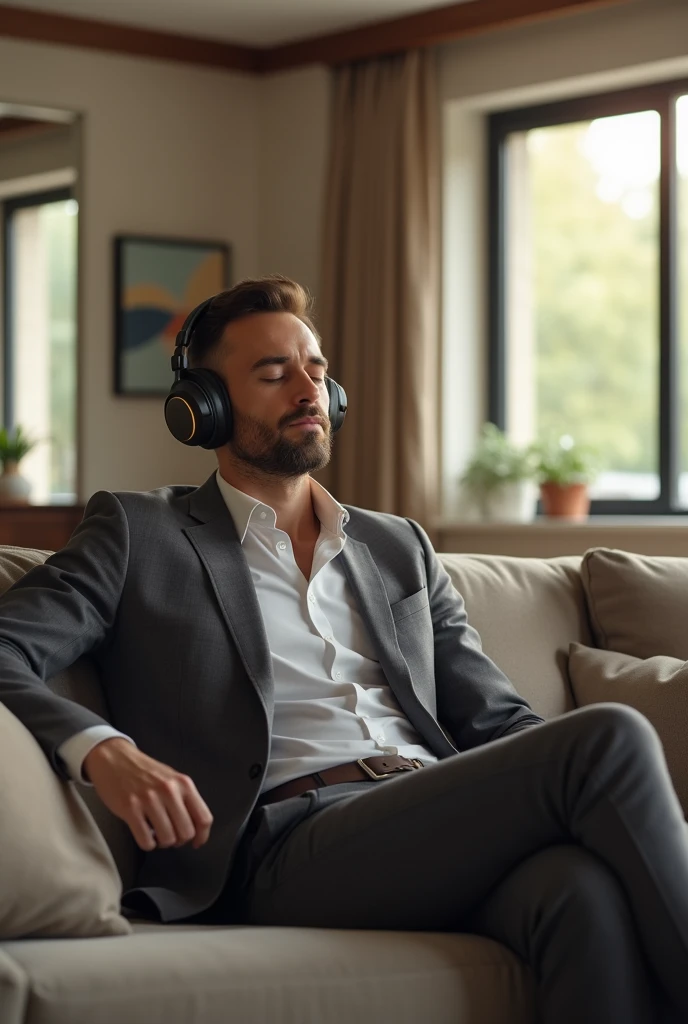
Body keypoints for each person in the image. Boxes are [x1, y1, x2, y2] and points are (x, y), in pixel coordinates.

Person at [0, 275, 686, 1024]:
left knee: (575, 892)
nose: (309, 390)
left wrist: (533, 789)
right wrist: (101, 748)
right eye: (273, 373)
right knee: (611, 736)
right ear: (204, 408)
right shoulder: (140, 532)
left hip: (424, 808)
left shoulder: (398, 547)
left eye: (317, 370)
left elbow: (499, 721)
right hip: (281, 840)